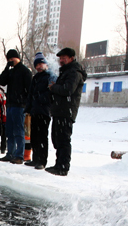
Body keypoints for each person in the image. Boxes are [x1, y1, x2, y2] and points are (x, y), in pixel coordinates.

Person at [46, 47, 86, 176]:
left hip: (66, 111)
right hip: (59, 110)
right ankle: (59, 164)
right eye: (60, 58)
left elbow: (68, 89)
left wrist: (54, 88)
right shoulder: (65, 72)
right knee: (57, 138)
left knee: (63, 139)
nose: (61, 60)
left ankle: (63, 167)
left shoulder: (74, 72)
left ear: (71, 58)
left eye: (64, 58)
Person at [0, 49, 32, 164]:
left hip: (20, 105)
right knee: (10, 131)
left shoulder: (25, 71)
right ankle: (10, 153)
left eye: (12, 58)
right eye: (9, 59)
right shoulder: (11, 71)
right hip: (11, 105)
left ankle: (19, 155)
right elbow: (2, 81)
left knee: (19, 131)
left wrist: (26, 104)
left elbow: (30, 89)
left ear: (18, 58)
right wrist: (7, 68)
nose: (10, 60)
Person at [24, 52, 55, 169]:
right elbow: (31, 94)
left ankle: (42, 161)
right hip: (35, 111)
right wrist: (28, 108)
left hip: (44, 111)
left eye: (41, 63)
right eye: (37, 64)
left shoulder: (49, 76)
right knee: (34, 136)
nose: (39, 66)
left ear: (45, 64)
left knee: (42, 136)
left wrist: (39, 99)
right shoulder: (36, 78)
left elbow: (49, 94)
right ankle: (35, 159)